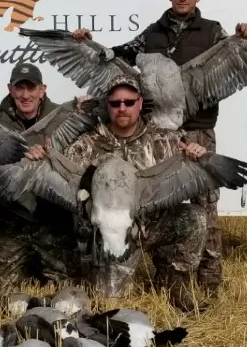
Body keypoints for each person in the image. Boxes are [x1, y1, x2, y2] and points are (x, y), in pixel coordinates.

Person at [73, 0, 247, 294]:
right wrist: (89, 46)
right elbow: (119, 54)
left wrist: (246, 36)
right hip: (157, 134)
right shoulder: (152, 34)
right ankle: (167, 277)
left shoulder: (213, 33)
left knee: (204, 207)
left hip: (197, 131)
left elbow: (236, 54)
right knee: (159, 201)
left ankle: (209, 283)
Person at [58, 74, 207, 310]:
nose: (122, 108)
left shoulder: (164, 140)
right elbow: (61, 174)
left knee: (194, 218)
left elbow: (192, 161)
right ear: (108, 106)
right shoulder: (87, 145)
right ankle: (103, 273)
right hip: (114, 238)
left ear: (139, 103)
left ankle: (175, 283)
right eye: (115, 103)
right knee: (109, 307)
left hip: (153, 226)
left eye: (129, 102)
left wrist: (197, 155)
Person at [0, 62, 84, 291]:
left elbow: (78, 162)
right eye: (19, 88)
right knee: (1, 293)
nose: (25, 95)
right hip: (11, 223)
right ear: (10, 89)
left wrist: (49, 157)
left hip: (53, 223)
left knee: (68, 291)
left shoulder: (64, 118)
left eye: (32, 88)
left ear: (42, 89)